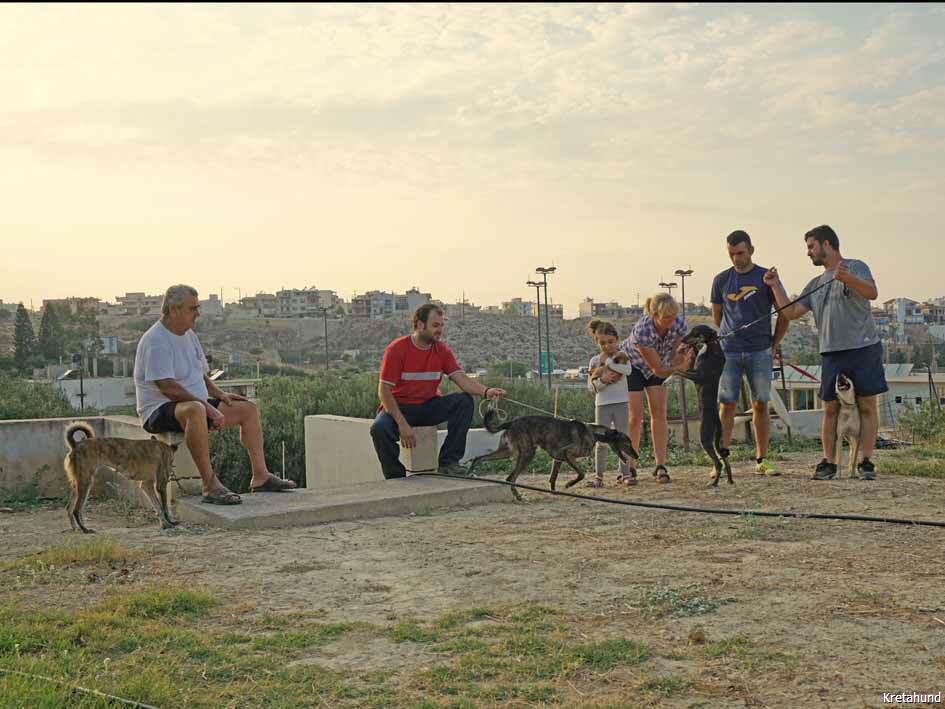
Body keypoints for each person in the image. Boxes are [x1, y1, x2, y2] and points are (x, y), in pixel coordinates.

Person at [134, 284, 296, 505]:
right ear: (174, 310)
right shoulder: (156, 340)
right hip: (158, 410)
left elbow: (199, 375)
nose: (198, 314)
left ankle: (261, 476)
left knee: (248, 409)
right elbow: (167, 387)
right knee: (196, 410)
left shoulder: (188, 335)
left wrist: (221, 395)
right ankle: (210, 485)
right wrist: (208, 408)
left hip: (194, 403)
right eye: (192, 309)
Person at [763, 225, 887, 480]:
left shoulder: (856, 267)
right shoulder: (815, 283)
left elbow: (872, 293)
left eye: (811, 246)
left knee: (867, 406)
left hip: (864, 348)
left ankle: (866, 462)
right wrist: (776, 286)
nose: (808, 252)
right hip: (830, 352)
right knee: (830, 408)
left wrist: (848, 279)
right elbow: (791, 313)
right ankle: (829, 462)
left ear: (826, 244)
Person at [370, 304, 506, 479]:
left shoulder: (442, 350)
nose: (440, 330)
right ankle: (395, 477)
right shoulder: (397, 349)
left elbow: (461, 379)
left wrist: (486, 391)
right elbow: (383, 391)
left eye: (441, 325)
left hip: (428, 406)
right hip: (399, 408)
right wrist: (402, 424)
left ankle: (449, 463)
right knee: (379, 429)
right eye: (435, 325)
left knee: (464, 401)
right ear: (420, 325)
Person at [711, 230, 789, 476]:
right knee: (726, 405)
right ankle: (721, 459)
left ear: (751, 251)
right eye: (732, 254)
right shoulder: (721, 280)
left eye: (740, 253)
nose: (736, 258)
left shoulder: (766, 278)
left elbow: (785, 313)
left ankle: (761, 459)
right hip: (729, 353)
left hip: (760, 351)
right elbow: (717, 316)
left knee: (761, 404)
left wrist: (774, 344)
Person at [619, 293, 692, 483]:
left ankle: (660, 465)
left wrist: (681, 361)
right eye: (666, 317)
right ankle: (629, 466)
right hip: (634, 366)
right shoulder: (642, 330)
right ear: (654, 315)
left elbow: (675, 355)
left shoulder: (679, 325)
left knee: (659, 413)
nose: (671, 321)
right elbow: (657, 369)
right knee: (635, 417)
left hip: (661, 364)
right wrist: (679, 367)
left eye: (673, 316)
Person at [586, 319, 635, 487]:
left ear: (617, 340)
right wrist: (603, 381)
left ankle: (626, 474)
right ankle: (599, 476)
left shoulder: (622, 357)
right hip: (602, 405)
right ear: (597, 342)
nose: (607, 346)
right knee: (601, 442)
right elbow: (591, 387)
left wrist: (608, 363)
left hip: (621, 403)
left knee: (623, 439)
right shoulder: (594, 361)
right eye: (602, 343)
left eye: (611, 342)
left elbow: (627, 370)